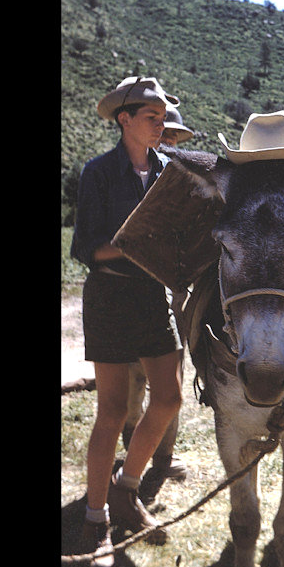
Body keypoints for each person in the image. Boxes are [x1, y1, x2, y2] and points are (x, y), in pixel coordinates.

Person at [70, 76, 184, 567]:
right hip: (110, 297)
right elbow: (85, 249)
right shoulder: (97, 174)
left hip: (153, 297)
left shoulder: (169, 171)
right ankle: (96, 520)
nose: (161, 126)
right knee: (113, 411)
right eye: (152, 118)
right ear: (124, 120)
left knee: (170, 398)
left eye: (163, 118)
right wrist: (134, 241)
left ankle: (127, 490)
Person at [121, 103, 196, 506]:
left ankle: (163, 457)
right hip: (133, 291)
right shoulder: (130, 178)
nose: (166, 142)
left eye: (172, 137)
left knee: (173, 378)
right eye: (163, 135)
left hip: (174, 291)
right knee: (134, 377)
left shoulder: (178, 180)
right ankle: (134, 449)